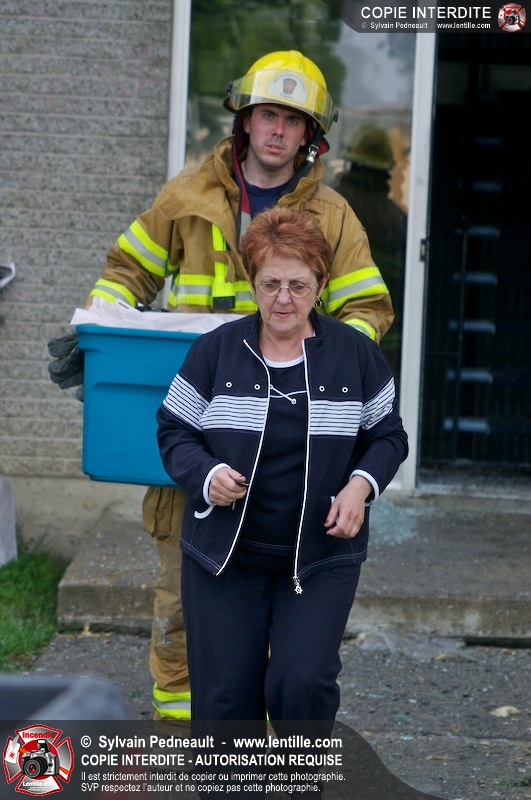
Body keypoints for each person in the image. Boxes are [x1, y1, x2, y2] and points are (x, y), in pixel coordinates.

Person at [48, 51, 395, 723]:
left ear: (310, 135)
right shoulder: (185, 196)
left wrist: (329, 375)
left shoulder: (332, 216)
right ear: (244, 120)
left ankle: (257, 741)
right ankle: (191, 742)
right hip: (203, 428)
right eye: (268, 115)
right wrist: (103, 334)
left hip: (292, 443)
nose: (277, 131)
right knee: (183, 600)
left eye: (292, 121)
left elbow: (365, 309)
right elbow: (127, 271)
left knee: (281, 618)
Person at [156, 207, 407, 761]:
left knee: (302, 684)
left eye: (298, 285)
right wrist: (206, 474)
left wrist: (360, 486)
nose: (284, 299)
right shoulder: (215, 351)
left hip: (319, 555)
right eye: (270, 284)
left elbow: (388, 437)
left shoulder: (355, 355)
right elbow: (174, 430)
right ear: (252, 283)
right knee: (225, 704)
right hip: (225, 556)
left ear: (321, 284)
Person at [333, 124, 407, 385]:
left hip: (333, 340)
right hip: (387, 341)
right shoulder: (396, 220)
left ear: (350, 162)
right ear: (386, 170)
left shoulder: (330, 206)